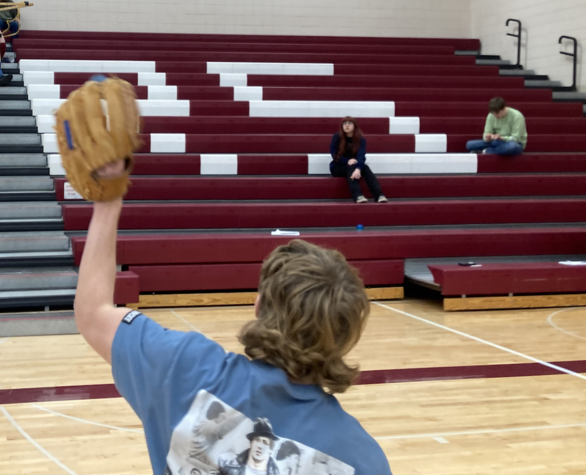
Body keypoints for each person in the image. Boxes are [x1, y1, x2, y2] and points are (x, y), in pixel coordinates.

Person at [74, 174, 392, 475]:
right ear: (346, 337)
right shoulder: (363, 460)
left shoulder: (185, 368)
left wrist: (108, 199)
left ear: (259, 308)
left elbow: (93, 312)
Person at [329, 117, 387, 204]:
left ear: (355, 126)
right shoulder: (337, 137)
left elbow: (361, 156)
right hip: (338, 167)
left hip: (354, 165)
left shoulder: (360, 139)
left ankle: (379, 195)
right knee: (352, 166)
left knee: (365, 168)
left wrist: (358, 169)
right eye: (344, 124)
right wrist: (347, 161)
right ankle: (357, 195)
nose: (347, 125)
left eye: (349, 123)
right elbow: (334, 155)